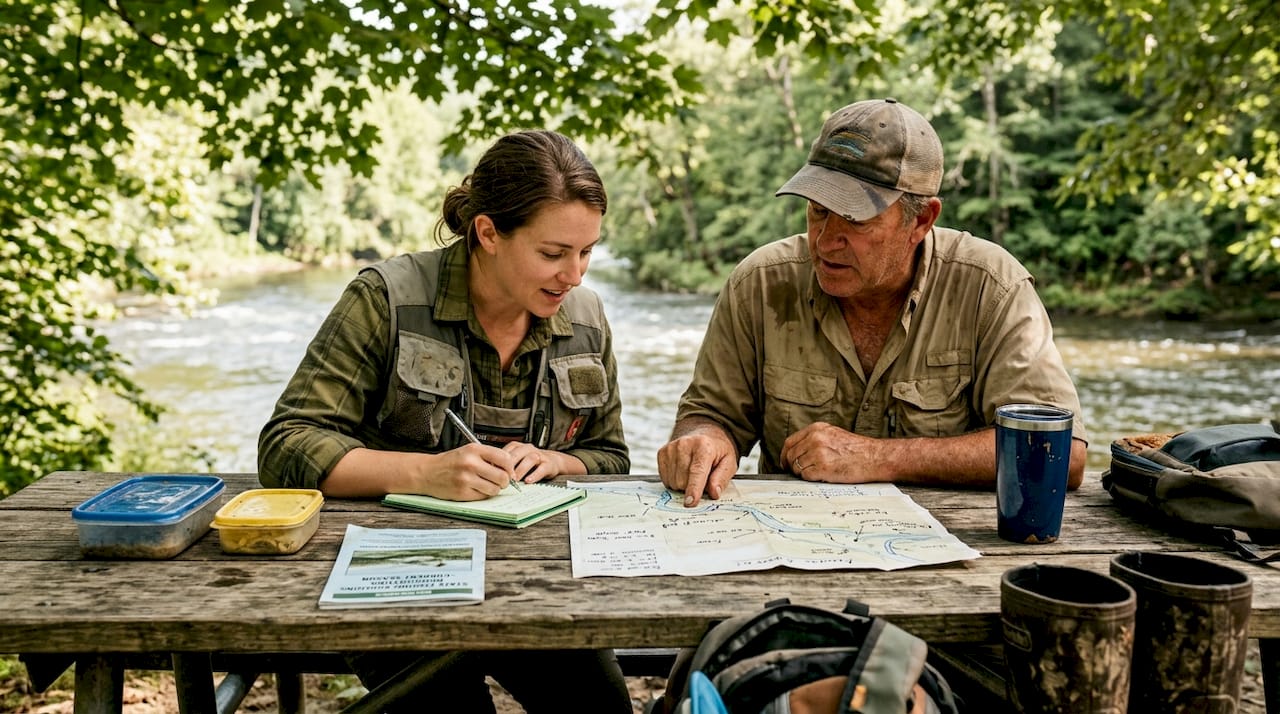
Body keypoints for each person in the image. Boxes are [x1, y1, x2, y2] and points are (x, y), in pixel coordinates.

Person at [258, 129, 632, 713]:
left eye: (587, 252)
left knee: (601, 710)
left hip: (536, 581)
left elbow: (611, 457)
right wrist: (423, 474)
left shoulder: (586, 318)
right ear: (487, 232)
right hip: (395, 573)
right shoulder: (384, 298)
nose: (575, 275)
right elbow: (287, 446)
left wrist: (560, 461)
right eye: (554, 254)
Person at [657, 98, 1088, 507]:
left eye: (855, 219)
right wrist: (704, 441)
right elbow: (709, 414)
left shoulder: (990, 286)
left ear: (921, 220)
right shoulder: (760, 284)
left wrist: (877, 457)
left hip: (956, 548)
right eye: (818, 210)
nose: (825, 241)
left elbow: (1058, 455)